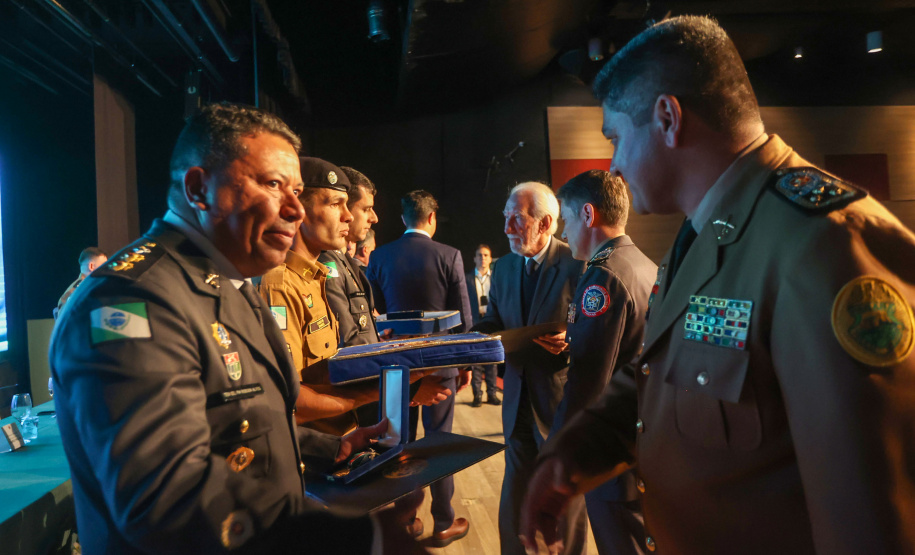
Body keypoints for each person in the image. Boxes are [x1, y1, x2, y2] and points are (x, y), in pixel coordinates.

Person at [521, 15, 915, 555]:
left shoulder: (825, 246)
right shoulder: (704, 232)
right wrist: (576, 453)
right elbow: (662, 375)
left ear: (667, 118)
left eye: (616, 137)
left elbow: (872, 519)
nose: (613, 164)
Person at [49, 103, 422, 554]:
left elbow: (237, 428)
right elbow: (164, 495)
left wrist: (331, 449)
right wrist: (364, 541)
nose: (295, 210)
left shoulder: (232, 283)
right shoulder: (129, 303)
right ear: (199, 188)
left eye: (298, 191)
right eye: (272, 185)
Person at [471, 182, 585, 555]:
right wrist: (471, 340)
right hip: (514, 398)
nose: (506, 229)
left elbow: (598, 329)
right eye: (505, 218)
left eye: (516, 220)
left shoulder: (577, 264)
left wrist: (573, 337)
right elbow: (496, 321)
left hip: (559, 403)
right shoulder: (503, 269)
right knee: (515, 494)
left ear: (546, 222)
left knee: (563, 500)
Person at [554, 170, 656, 555]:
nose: (564, 233)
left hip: (612, 456)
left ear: (587, 215)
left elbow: (588, 383)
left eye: (566, 219)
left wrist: (556, 453)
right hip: (642, 444)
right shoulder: (642, 264)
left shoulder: (602, 276)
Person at [366, 190, 474, 547]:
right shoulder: (450, 255)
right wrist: (464, 365)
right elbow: (464, 320)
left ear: (403, 219)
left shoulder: (380, 256)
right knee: (440, 441)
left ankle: (406, 520)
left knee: (400, 444)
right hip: (440, 366)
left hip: (396, 367)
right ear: (432, 218)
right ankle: (443, 522)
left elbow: (375, 317)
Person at [258, 157, 387, 435]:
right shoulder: (280, 283)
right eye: (333, 204)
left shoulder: (315, 277)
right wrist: (373, 393)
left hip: (340, 439)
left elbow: (321, 372)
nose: (348, 216)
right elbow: (288, 396)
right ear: (298, 210)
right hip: (312, 454)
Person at [320, 166, 381, 350]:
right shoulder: (327, 261)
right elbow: (350, 341)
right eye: (366, 209)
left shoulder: (343, 258)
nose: (374, 218)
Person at [465, 243, 500, 407]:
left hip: (492, 321)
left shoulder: (496, 278)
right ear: (474, 258)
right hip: (475, 321)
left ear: (490, 258)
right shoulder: (467, 279)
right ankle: (477, 395)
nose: (483, 258)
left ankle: (492, 394)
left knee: (491, 359)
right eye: (480, 255)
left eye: (486, 255)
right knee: (476, 360)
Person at [55, 247, 107, 319]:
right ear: (91, 266)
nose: (106, 270)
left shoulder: (85, 287)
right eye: (103, 266)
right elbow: (65, 318)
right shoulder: (81, 289)